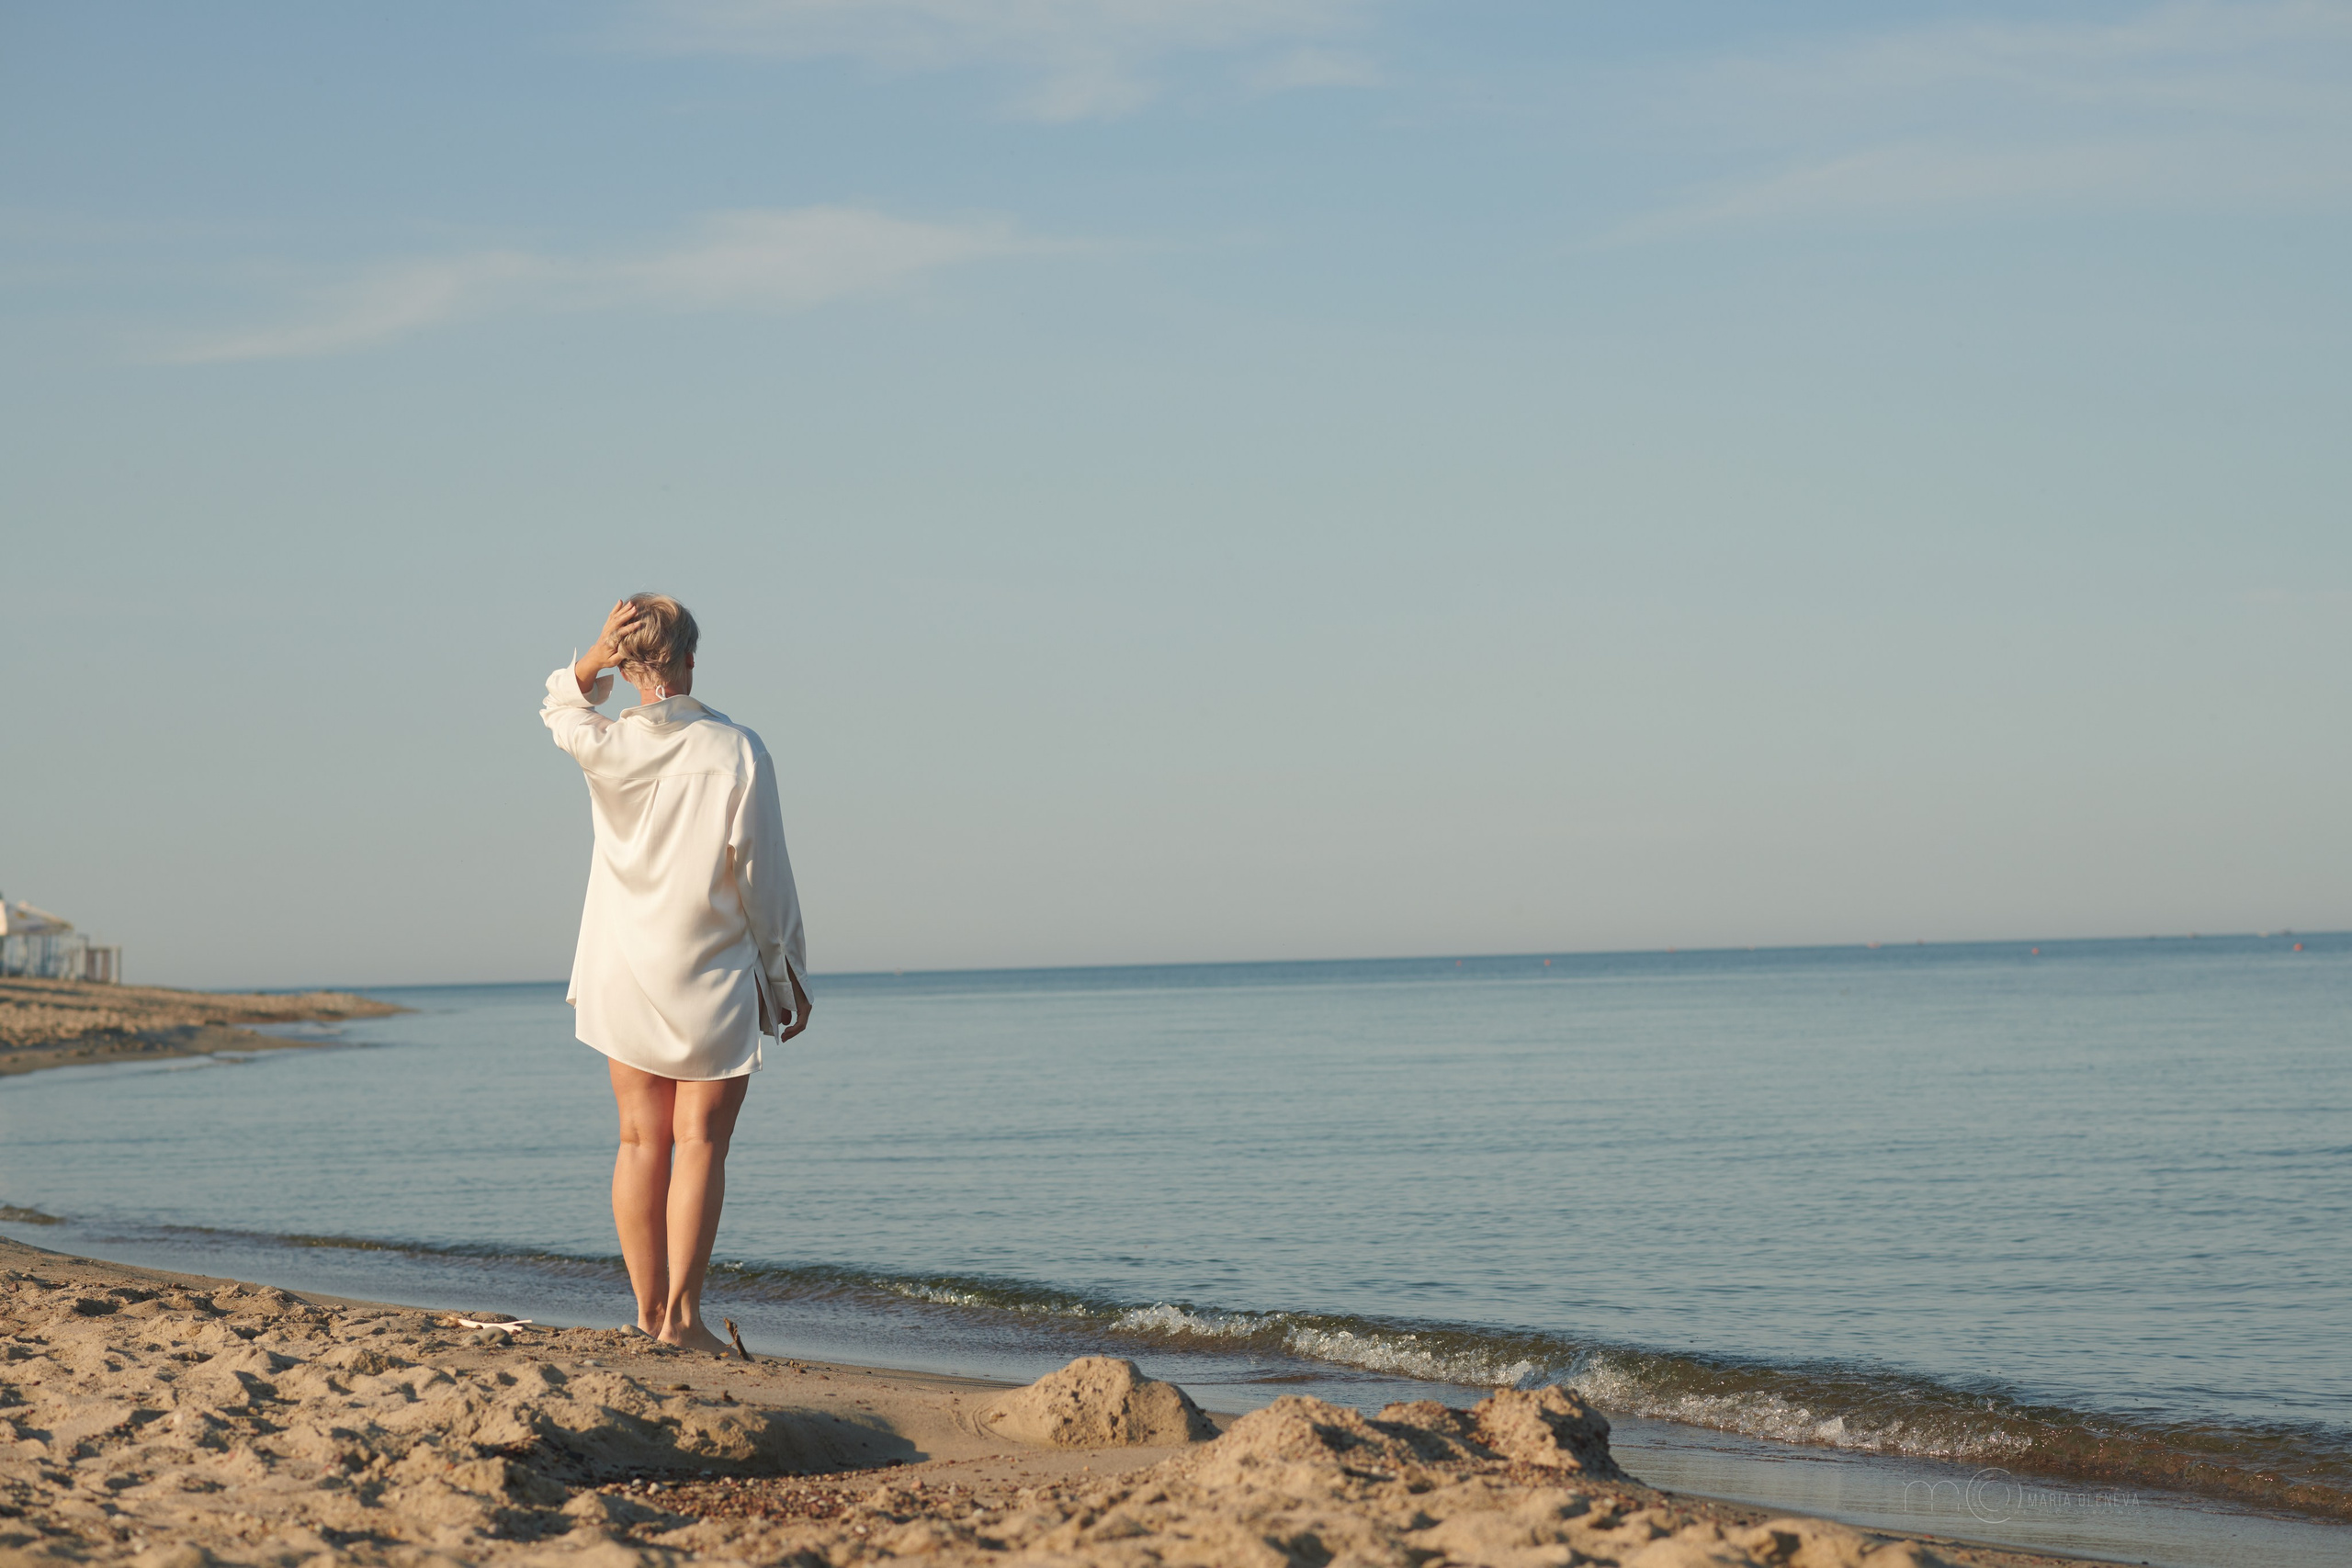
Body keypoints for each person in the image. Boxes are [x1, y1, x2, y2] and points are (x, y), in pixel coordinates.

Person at [541, 594, 810, 1354]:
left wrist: (595, 654)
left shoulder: (604, 744)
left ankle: (645, 1311)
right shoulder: (736, 750)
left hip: (621, 964)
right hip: (711, 967)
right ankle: (682, 1322)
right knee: (698, 1144)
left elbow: (558, 699)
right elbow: (762, 877)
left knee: (637, 1140)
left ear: (628, 671)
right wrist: (785, 971)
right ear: (692, 658)